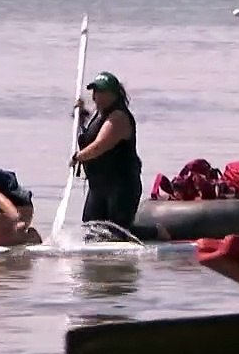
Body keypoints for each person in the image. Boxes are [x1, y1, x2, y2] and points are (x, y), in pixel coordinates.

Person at [72, 72, 168, 241]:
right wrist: (80, 117)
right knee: (91, 232)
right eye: (94, 91)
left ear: (113, 94)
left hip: (121, 185)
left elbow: (100, 146)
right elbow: (88, 137)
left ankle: (156, 233)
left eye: (101, 92)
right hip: (98, 185)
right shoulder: (98, 114)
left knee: (117, 233)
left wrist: (78, 157)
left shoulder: (119, 117)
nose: (95, 96)